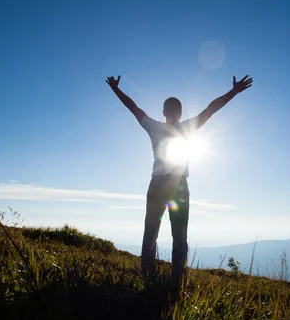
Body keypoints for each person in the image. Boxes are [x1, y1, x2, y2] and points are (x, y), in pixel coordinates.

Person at [106, 74, 253, 294]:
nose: (174, 114)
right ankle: (177, 283)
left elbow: (133, 108)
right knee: (178, 236)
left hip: (159, 185)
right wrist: (233, 91)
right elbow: (210, 110)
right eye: (174, 111)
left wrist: (116, 89)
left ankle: (149, 277)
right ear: (174, 113)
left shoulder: (154, 127)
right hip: (178, 187)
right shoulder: (185, 128)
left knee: (152, 233)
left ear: (165, 112)